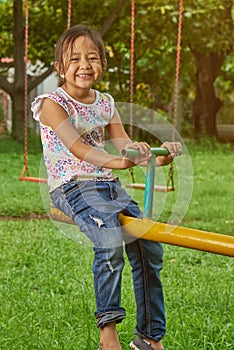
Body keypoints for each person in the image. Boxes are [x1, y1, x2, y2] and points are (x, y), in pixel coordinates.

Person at [32, 24, 181, 350]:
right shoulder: (51, 104)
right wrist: (117, 163)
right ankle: (108, 334)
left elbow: (124, 145)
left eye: (92, 57)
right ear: (59, 67)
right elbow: (77, 148)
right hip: (73, 186)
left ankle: (149, 337)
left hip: (108, 186)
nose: (84, 65)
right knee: (109, 241)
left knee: (149, 248)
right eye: (74, 59)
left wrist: (155, 156)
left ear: (102, 64)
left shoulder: (105, 103)